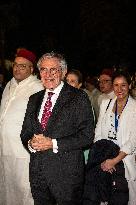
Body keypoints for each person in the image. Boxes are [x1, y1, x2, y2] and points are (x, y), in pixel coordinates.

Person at [20, 51, 94, 205]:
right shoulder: (34, 99)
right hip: (38, 175)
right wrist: (31, 143)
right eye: (43, 69)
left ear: (63, 72)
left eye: (53, 69)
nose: (48, 74)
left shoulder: (78, 97)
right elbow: (25, 132)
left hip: (66, 178)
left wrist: (52, 143)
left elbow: (87, 136)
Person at [0, 48, 44, 205]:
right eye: (15, 65)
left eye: (23, 66)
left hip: (23, 151)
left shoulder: (38, 87)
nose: (17, 69)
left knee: (24, 188)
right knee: (6, 186)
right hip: (5, 148)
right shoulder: (8, 85)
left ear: (32, 69)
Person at [93, 70, 136, 204]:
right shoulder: (106, 104)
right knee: (105, 195)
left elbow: (133, 140)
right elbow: (98, 132)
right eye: (116, 85)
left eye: (123, 85)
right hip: (105, 159)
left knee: (125, 196)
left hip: (124, 159)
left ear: (129, 86)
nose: (119, 89)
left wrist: (114, 160)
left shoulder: (134, 107)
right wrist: (104, 158)